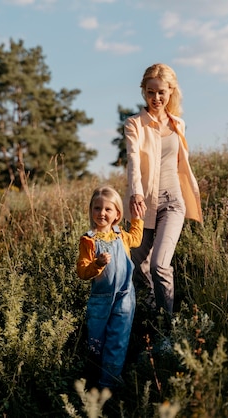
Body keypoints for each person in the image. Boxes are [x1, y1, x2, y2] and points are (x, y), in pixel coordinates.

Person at [124, 63, 203, 323]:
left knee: (159, 264)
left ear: (171, 91)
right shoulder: (134, 124)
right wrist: (136, 194)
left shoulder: (178, 124)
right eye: (150, 92)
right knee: (137, 266)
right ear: (143, 92)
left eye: (161, 92)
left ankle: (167, 328)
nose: (156, 98)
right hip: (142, 205)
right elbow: (134, 160)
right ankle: (150, 319)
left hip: (172, 203)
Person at [76, 186, 143, 390]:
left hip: (124, 297)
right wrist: (97, 264)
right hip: (100, 299)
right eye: (97, 208)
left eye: (107, 209)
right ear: (91, 210)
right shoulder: (88, 240)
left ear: (117, 215)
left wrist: (138, 219)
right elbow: (82, 271)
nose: (102, 213)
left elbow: (137, 239)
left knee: (118, 339)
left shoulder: (121, 235)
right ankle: (93, 378)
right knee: (96, 341)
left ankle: (109, 383)